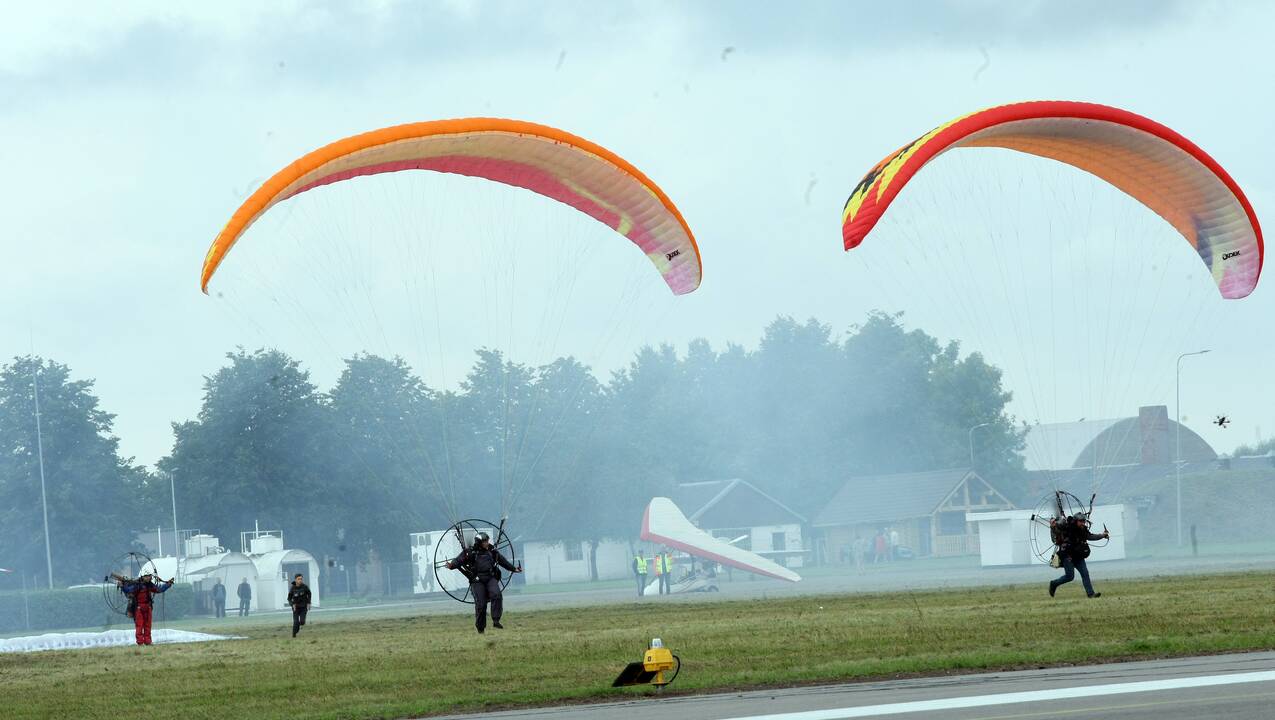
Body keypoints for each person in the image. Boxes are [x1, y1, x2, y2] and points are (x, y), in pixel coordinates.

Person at [446, 532, 522, 633]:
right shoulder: (470, 552)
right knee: (481, 604)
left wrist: (514, 569)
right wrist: (451, 565)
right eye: (485, 541)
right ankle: (480, 628)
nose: (487, 543)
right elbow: (458, 560)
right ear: (479, 543)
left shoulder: (492, 551)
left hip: (490, 578)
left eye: (487, 541)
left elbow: (502, 561)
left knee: (497, 595)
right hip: (477, 581)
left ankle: (496, 620)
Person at [1048, 514, 1110, 598]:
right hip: (1067, 556)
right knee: (1069, 577)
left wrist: (1102, 535)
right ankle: (1054, 584)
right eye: (1081, 521)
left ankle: (1091, 594)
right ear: (1076, 521)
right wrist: (1053, 527)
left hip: (1078, 555)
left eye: (1084, 521)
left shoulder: (1083, 529)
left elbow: (1090, 536)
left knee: (1085, 573)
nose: (1083, 523)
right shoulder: (1067, 528)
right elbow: (1056, 536)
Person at [116, 572, 173, 646]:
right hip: (139, 608)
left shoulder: (150, 585)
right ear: (142, 577)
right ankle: (140, 642)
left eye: (149, 576)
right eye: (146, 576)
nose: (148, 577)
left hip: (148, 607)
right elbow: (129, 590)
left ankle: (148, 642)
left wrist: (168, 584)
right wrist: (122, 586)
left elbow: (159, 589)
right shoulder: (137, 585)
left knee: (148, 625)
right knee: (139, 626)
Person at [288, 573, 312, 637]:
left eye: (301, 579)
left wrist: (309, 603)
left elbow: (309, 593)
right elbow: (289, 598)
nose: (300, 580)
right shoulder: (292, 588)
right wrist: (292, 604)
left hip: (303, 607)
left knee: (302, 622)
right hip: (295, 607)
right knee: (296, 622)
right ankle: (294, 634)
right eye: (298, 579)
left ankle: (297, 628)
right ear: (295, 580)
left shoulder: (305, 587)